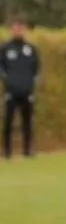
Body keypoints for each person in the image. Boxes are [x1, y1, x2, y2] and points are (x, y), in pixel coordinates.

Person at [1, 17, 40, 159]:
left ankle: (27, 149)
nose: (18, 31)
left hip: (27, 90)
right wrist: (7, 80)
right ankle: (7, 151)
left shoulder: (30, 49)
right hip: (11, 91)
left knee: (27, 122)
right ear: (11, 30)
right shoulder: (5, 48)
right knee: (8, 121)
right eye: (15, 29)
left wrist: (31, 83)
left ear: (24, 30)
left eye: (20, 29)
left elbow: (36, 68)